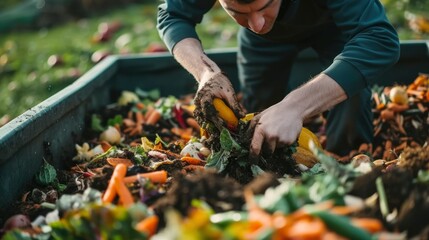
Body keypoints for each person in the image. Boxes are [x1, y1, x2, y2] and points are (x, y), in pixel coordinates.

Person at [157, 0, 400, 157]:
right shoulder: (258, 28)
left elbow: (379, 39)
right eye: (238, 13)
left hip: (338, 29)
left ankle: (344, 160)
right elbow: (172, 16)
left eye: (266, 6)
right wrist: (205, 73)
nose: (257, 23)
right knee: (256, 126)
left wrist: (295, 107)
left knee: (351, 107)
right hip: (262, 47)